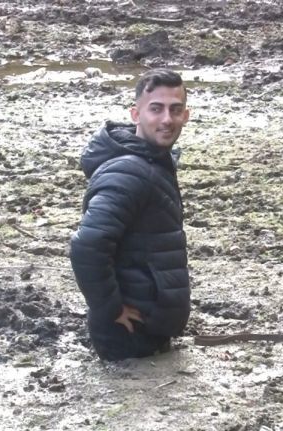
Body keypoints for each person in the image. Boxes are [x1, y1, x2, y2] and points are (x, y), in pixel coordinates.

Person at [69, 68, 191, 361]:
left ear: (186, 115)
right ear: (136, 114)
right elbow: (87, 246)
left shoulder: (155, 161)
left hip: (149, 326)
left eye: (175, 110)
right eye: (156, 109)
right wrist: (110, 309)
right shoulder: (128, 173)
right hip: (128, 334)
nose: (167, 119)